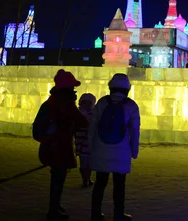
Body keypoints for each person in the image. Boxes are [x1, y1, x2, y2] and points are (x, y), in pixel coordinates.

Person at [38, 70, 89, 221]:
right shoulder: (65, 102)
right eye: (72, 87)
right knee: (58, 179)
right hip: (60, 146)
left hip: (51, 145)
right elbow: (81, 121)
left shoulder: (52, 100)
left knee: (57, 177)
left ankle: (55, 205)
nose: (74, 90)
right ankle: (53, 210)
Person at [89, 73, 141, 221]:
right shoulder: (131, 105)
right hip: (121, 150)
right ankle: (119, 214)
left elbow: (92, 126)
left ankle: (95, 213)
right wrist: (134, 150)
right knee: (119, 185)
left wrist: (91, 146)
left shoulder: (102, 102)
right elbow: (134, 130)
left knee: (100, 183)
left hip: (101, 148)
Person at [75, 93, 97, 187]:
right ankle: (86, 179)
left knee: (87, 163)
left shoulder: (78, 112)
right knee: (86, 162)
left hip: (83, 141)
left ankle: (86, 179)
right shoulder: (94, 113)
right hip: (85, 142)